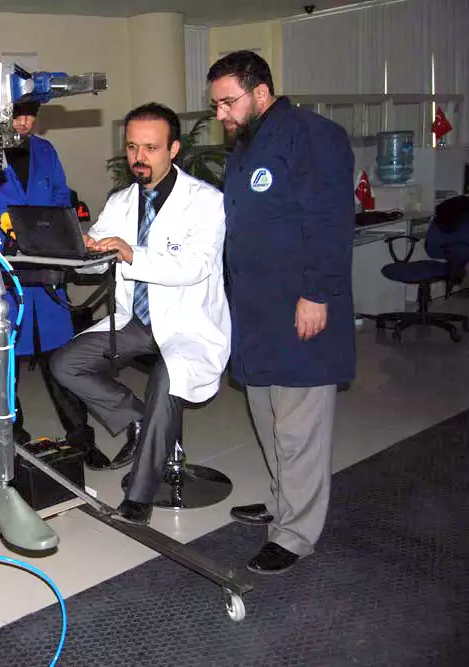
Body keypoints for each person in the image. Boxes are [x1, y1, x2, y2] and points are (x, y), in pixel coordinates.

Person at [207, 51, 355, 574]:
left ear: (261, 92)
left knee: (298, 428)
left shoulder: (312, 136)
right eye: (216, 105)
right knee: (269, 419)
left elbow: (331, 220)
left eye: (228, 102)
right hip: (257, 314)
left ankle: (295, 533)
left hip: (299, 309)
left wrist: (317, 293)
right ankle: (283, 503)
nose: (221, 113)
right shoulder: (248, 144)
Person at [51, 103, 230, 525]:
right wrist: (83, 250)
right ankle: (139, 422)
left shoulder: (205, 202)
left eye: (150, 148)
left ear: (174, 149)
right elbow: (98, 260)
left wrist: (132, 254)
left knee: (166, 379)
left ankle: (140, 495)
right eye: (132, 147)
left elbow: (195, 266)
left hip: (187, 323)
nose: (138, 158)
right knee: (65, 364)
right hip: (136, 320)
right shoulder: (121, 201)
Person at [0, 101, 101, 462]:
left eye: (29, 114)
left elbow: (60, 196)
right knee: (5, 364)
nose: (23, 122)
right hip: (3, 276)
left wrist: (60, 232)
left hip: (46, 273)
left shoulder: (45, 151)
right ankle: (13, 442)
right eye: (16, 114)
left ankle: (81, 439)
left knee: (61, 359)